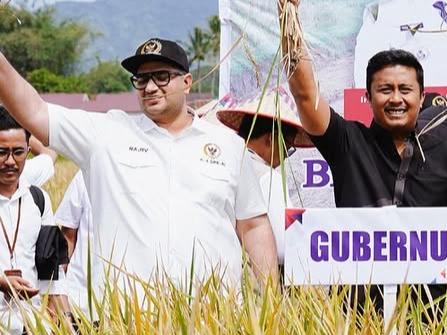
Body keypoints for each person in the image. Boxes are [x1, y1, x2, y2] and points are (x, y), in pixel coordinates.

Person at [0, 38, 275, 298]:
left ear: (187, 82)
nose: (150, 87)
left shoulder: (227, 145)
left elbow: (253, 225)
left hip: (213, 319)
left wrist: (270, 301)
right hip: (131, 321)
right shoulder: (106, 135)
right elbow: (34, 111)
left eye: (162, 76)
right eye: (141, 79)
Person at [279, 0, 447, 318]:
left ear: (421, 96)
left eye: (405, 90)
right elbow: (306, 96)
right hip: (358, 318)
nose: (396, 98)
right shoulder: (348, 142)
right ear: (367, 96)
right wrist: (288, 21)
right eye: (385, 90)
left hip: (430, 320)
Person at [215, 89, 307, 267]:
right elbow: (283, 247)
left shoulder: (222, 166)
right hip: (253, 287)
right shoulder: (267, 177)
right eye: (287, 149)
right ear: (271, 139)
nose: (284, 158)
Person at [0, 111, 57, 335]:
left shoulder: (38, 198)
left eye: (18, 152)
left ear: (28, 151)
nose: (10, 161)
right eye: (1, 152)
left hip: (30, 328)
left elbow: (52, 267)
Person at [49, 171, 89, 324]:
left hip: (138, 307)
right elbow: (67, 238)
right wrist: (54, 293)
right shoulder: (86, 174)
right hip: (80, 304)